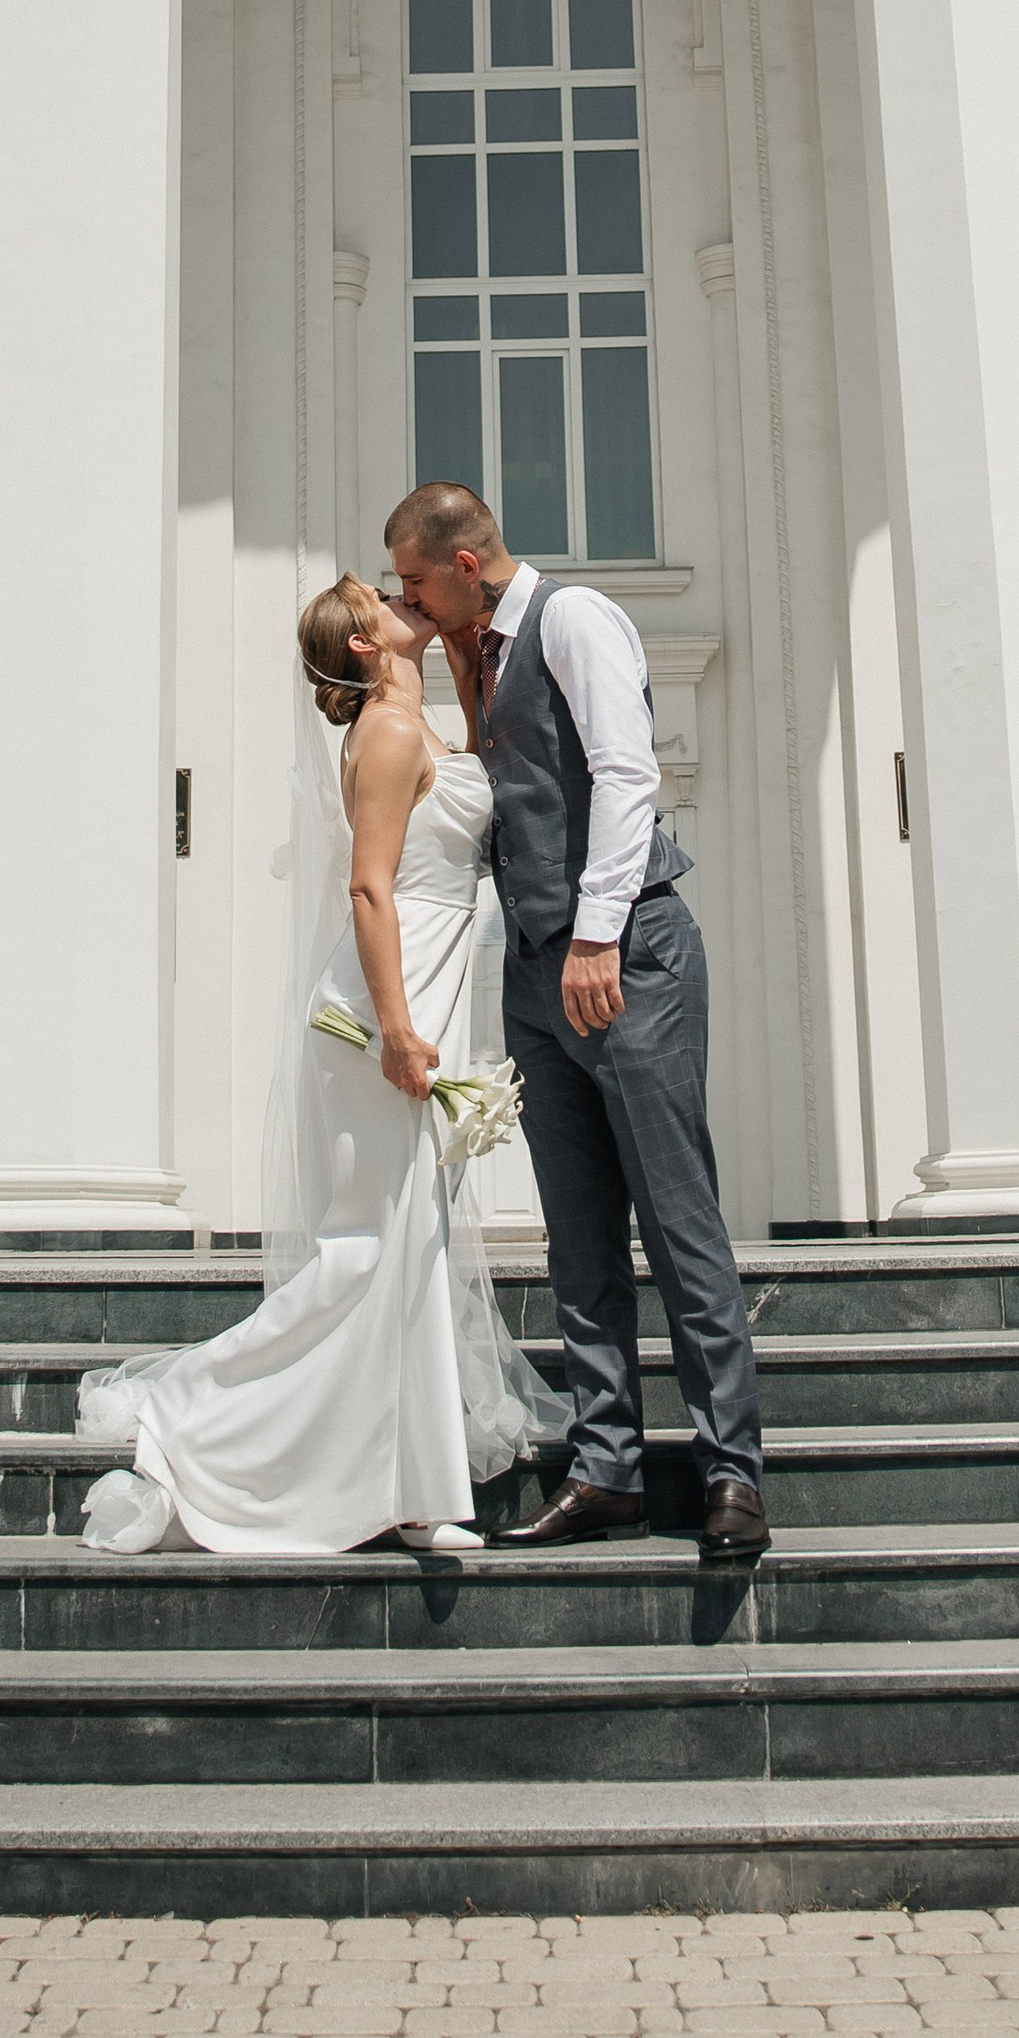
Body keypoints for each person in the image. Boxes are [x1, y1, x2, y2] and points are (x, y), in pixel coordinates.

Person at [72, 573, 555, 1557]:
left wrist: (463, 652)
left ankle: (416, 1483)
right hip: (384, 1000)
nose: (400, 593)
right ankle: (192, 1409)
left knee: (407, 1239)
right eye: (381, 596)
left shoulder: (418, 709)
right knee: (373, 1243)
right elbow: (368, 887)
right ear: (368, 645)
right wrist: (396, 1028)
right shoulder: (381, 730)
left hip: (428, 980)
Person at [384, 480, 770, 1564]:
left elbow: (623, 771)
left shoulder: (577, 617)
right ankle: (607, 1469)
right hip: (538, 970)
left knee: (677, 1216)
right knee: (579, 1234)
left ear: (463, 564)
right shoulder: (482, 651)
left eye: (414, 578)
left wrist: (597, 936)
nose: (402, 597)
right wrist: (449, 666)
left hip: (625, 951)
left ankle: (729, 1469)